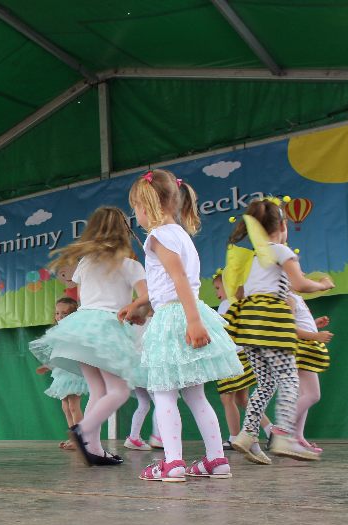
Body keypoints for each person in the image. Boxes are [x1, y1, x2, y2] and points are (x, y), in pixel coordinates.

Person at [120, 170, 241, 482]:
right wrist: (139, 304)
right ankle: (217, 460)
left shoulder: (158, 237)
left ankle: (172, 463)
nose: (136, 215)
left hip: (176, 318)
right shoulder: (180, 234)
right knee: (196, 396)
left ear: (147, 204)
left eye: (136, 207)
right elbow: (167, 285)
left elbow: (178, 280)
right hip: (184, 312)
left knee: (163, 394)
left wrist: (194, 321)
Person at [30, 206, 147, 466]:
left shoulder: (85, 263)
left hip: (82, 327)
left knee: (97, 390)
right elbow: (145, 296)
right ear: (123, 232)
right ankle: (83, 430)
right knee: (119, 390)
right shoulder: (130, 265)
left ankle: (94, 449)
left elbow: (84, 299)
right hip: (108, 326)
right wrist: (134, 308)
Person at [223, 197, 334, 462]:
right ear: (283, 226)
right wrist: (323, 284)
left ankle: (247, 435)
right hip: (270, 321)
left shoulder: (253, 258)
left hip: (249, 325)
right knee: (289, 379)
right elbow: (300, 284)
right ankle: (283, 435)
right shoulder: (281, 251)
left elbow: (240, 293)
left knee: (265, 383)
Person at [211, 270, 272, 463]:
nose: (217, 292)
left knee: (226, 398)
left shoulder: (226, 305)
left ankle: (234, 436)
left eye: (218, 288)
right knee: (242, 399)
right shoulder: (239, 303)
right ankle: (271, 431)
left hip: (231, 357)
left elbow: (223, 332)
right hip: (243, 355)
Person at [34, 297, 88, 450]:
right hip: (62, 373)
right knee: (65, 406)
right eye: (57, 313)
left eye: (64, 314)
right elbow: (56, 354)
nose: (59, 317)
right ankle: (73, 437)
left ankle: (81, 439)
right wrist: (48, 366)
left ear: (73, 315)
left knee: (73, 406)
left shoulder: (75, 333)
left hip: (73, 371)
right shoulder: (56, 333)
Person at [290, 291, 333, 454]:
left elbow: (299, 323)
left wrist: (315, 324)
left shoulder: (296, 298)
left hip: (305, 348)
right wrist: (315, 335)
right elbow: (290, 328)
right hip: (302, 349)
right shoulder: (289, 298)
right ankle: (281, 428)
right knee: (313, 395)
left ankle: (297, 437)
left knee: (305, 395)